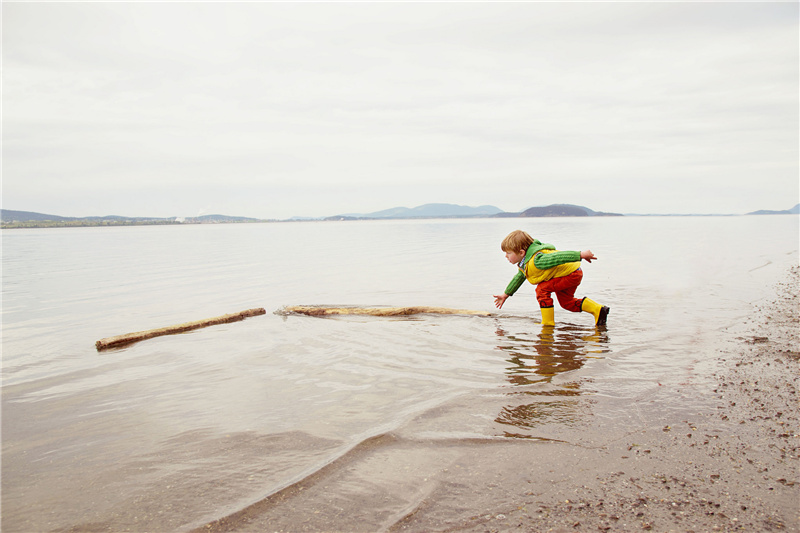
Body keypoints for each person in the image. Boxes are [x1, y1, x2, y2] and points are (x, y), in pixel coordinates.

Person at [493, 230, 609, 327]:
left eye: (508, 253)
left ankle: (548, 323)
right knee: (566, 303)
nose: (506, 256)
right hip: (570, 273)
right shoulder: (525, 264)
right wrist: (505, 294)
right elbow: (518, 278)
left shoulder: (538, 260)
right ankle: (598, 310)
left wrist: (581, 255)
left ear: (521, 252)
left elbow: (558, 257)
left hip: (571, 274)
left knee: (541, 289)